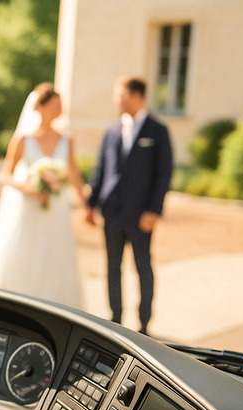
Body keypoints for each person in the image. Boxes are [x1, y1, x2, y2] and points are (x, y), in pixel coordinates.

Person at [0, 83, 86, 309]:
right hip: (26, 205)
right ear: (40, 107)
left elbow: (73, 172)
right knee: (23, 249)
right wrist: (29, 189)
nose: (59, 110)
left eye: (61, 106)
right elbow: (6, 175)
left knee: (53, 252)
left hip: (54, 208)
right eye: (54, 105)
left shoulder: (67, 140)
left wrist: (85, 204)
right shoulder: (22, 139)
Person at [85, 76, 173, 335]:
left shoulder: (157, 130)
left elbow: (164, 173)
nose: (116, 100)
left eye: (120, 94)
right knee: (113, 266)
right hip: (111, 210)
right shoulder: (111, 130)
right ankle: (115, 318)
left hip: (141, 213)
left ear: (136, 96)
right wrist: (91, 205)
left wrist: (153, 210)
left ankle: (145, 323)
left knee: (142, 265)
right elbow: (101, 168)